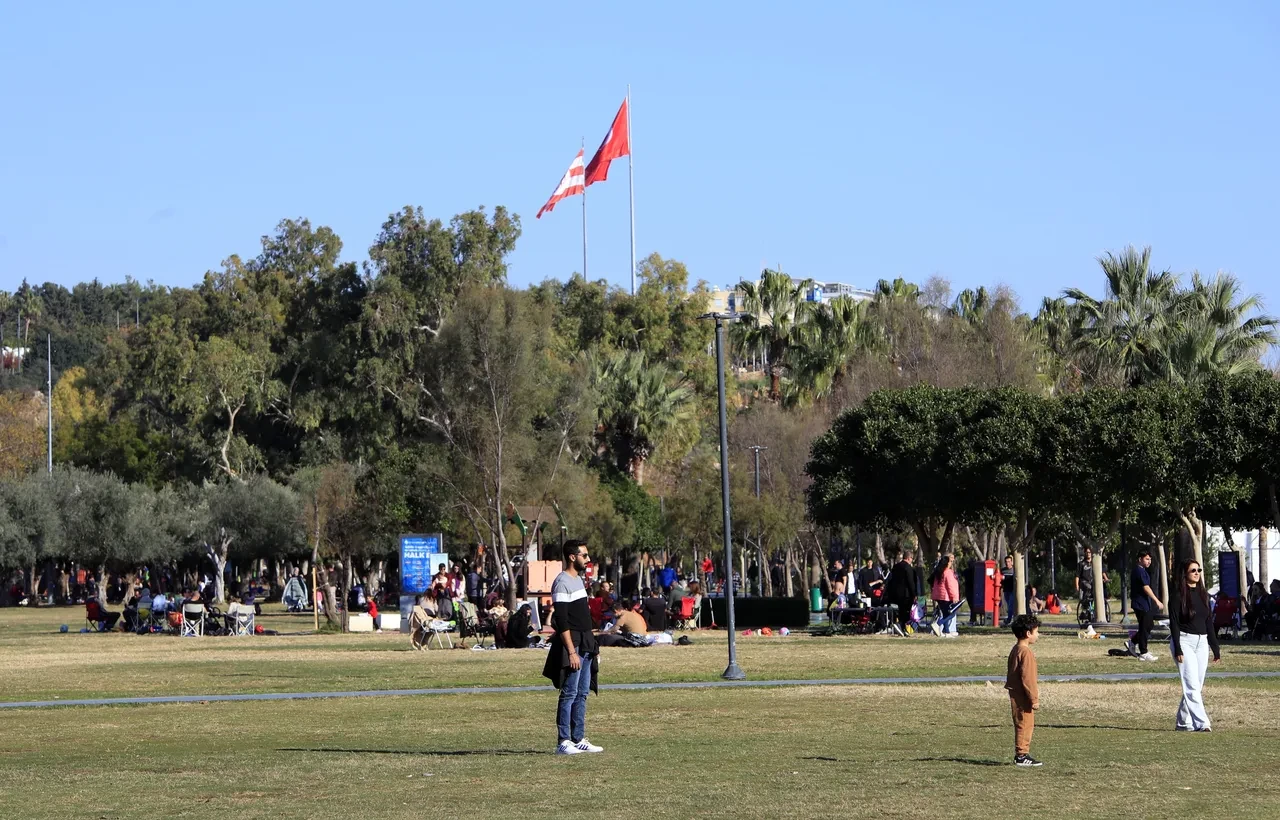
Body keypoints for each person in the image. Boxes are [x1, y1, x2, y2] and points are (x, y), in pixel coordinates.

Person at [543, 540, 603, 755]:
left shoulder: (578, 580)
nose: (588, 559)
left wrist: (594, 647)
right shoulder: (562, 582)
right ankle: (563, 741)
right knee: (569, 693)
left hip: (586, 642)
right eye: (584, 555)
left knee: (582, 693)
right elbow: (562, 620)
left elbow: (582, 618)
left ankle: (578, 738)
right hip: (573, 644)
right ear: (572, 557)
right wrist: (571, 652)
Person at [1170, 559, 1221, 732]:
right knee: (1191, 685)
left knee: (1196, 686)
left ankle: (1183, 723)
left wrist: (1215, 647)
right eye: (1193, 570)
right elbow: (1174, 623)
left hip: (1202, 642)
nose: (1197, 573)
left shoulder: (1203, 595)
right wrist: (1177, 648)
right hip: (1184, 641)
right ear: (1185, 573)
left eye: (1199, 569)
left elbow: (1208, 622)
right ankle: (1202, 723)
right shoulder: (1177, 595)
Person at [1006, 614, 1043, 767]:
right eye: (1037, 631)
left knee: (1022, 723)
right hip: (1022, 695)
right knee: (1025, 724)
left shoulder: (1016, 649)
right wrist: (1034, 699)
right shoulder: (1026, 652)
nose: (1038, 635)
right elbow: (1028, 678)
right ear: (1028, 633)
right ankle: (1021, 755)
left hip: (1016, 692)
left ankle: (1022, 754)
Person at [1128, 550, 1164, 661]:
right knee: (1144, 626)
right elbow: (1146, 587)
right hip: (1140, 604)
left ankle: (1133, 642)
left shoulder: (1143, 571)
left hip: (1145, 603)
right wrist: (1157, 600)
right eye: (1147, 559)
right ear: (1140, 559)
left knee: (1149, 625)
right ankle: (1143, 652)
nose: (1149, 561)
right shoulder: (1138, 571)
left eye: (1150, 559)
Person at [885, 551, 919, 633]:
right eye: (911, 558)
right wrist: (914, 594)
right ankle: (901, 626)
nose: (912, 560)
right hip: (906, 594)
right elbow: (910, 582)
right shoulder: (908, 568)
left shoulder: (896, 567)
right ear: (908, 558)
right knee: (906, 612)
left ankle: (902, 628)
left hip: (896, 593)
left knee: (900, 611)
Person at [929, 554, 960, 637]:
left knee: (945, 614)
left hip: (938, 596)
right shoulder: (948, 572)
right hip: (945, 596)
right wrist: (954, 597)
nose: (951, 563)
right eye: (950, 562)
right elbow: (950, 586)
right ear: (946, 563)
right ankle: (938, 624)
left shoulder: (938, 572)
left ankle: (947, 632)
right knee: (951, 614)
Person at [1000, 556, 1017, 625]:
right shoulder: (1003, 570)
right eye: (1006, 562)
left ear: (1012, 562)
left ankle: (1009, 620)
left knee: (1010, 605)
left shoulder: (1014, 570)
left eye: (1009, 561)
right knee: (1009, 605)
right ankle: (1013, 618)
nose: (1007, 563)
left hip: (1012, 590)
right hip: (1006, 590)